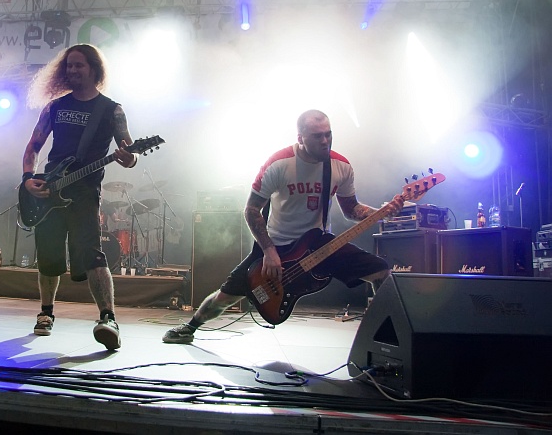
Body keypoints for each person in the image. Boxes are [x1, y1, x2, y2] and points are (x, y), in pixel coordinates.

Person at [163, 109, 404, 344]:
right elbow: (251, 210)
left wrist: (381, 214)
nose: (325, 141)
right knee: (225, 297)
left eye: (328, 134)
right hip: (275, 245)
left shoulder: (340, 166)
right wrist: (268, 251)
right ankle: (190, 327)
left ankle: (381, 339)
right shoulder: (279, 164)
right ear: (300, 138)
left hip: (318, 243)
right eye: (317, 136)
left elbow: (351, 210)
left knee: (382, 272)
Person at [22, 44, 138, 350]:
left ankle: (108, 318)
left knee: (92, 254)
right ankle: (46, 312)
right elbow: (34, 146)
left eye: (79, 66)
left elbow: (129, 155)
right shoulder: (54, 107)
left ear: (94, 70)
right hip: (50, 190)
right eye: (69, 66)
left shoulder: (112, 110)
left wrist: (129, 157)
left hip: (85, 193)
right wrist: (27, 179)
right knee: (48, 254)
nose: (72, 71)